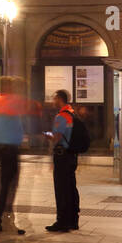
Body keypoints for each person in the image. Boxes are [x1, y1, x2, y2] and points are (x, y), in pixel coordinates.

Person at [0, 75, 28, 234]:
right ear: (7, 87)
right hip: (9, 149)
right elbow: (28, 108)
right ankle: (5, 221)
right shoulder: (10, 101)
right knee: (10, 186)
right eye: (11, 85)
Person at [47, 89, 81, 231]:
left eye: (54, 98)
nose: (53, 101)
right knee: (71, 187)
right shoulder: (72, 113)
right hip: (72, 155)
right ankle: (73, 220)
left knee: (61, 189)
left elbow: (57, 137)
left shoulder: (61, 116)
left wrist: (48, 135)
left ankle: (62, 221)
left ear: (60, 99)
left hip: (62, 156)